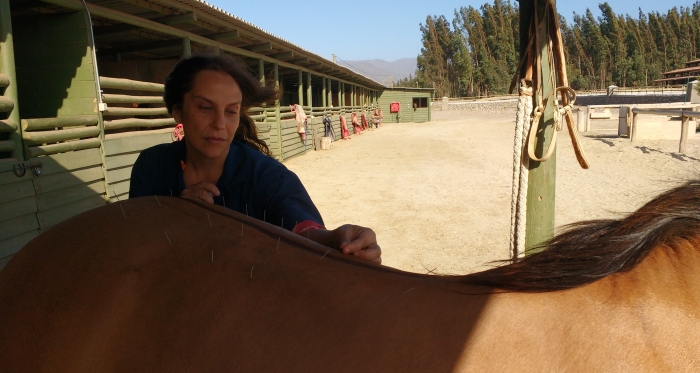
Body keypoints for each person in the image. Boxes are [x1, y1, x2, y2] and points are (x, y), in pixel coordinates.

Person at [129, 54, 381, 263]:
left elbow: (303, 230)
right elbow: (136, 244)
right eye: (205, 108)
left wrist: (337, 238)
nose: (219, 124)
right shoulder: (152, 167)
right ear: (178, 112)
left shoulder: (266, 176)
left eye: (231, 111)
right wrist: (177, 214)